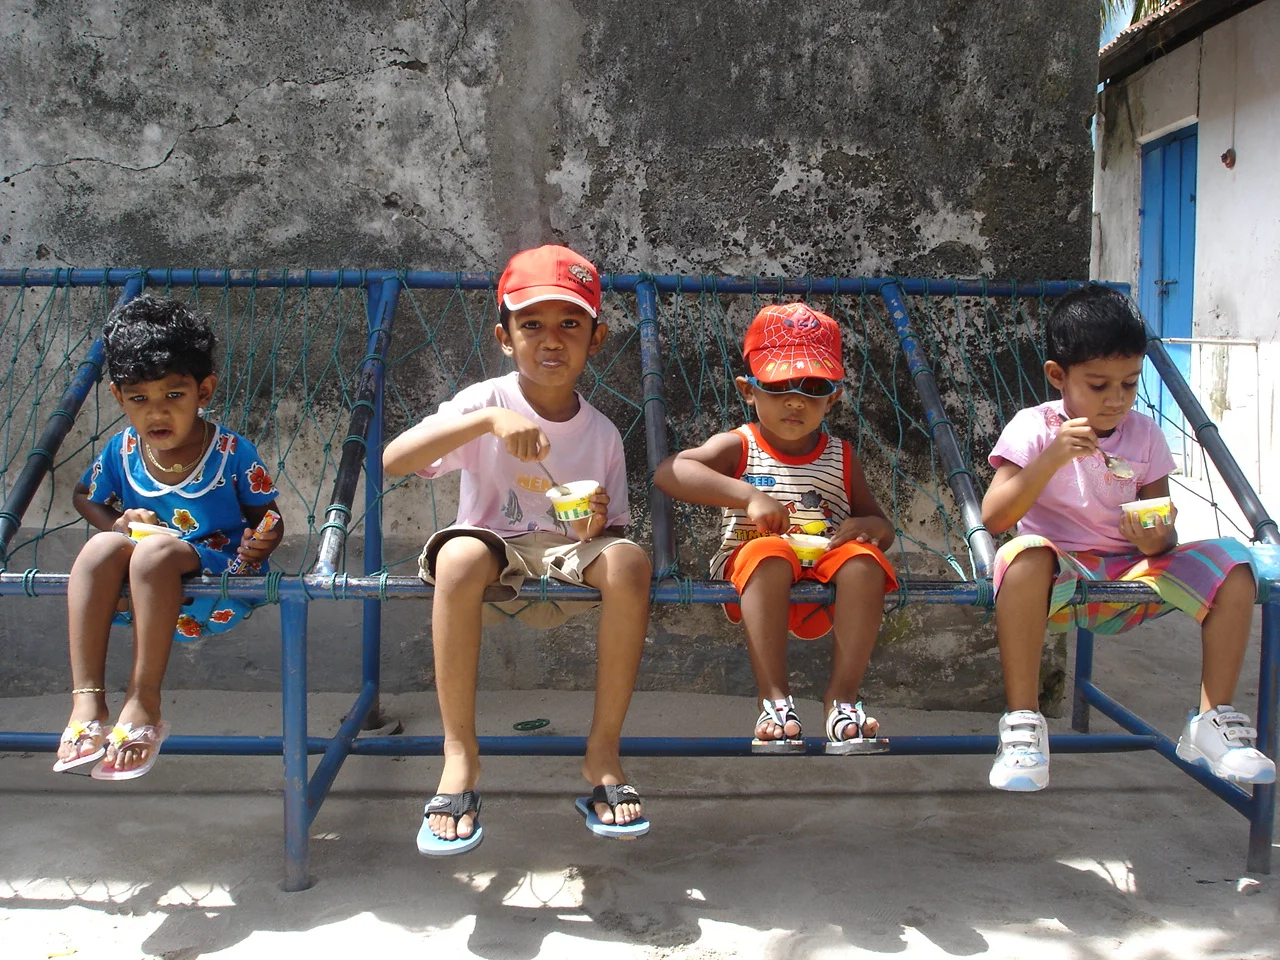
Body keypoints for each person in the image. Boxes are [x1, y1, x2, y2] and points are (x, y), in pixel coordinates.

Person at [383, 244, 652, 855]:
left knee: (631, 561)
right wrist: (486, 424)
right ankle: (460, 755)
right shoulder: (486, 401)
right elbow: (394, 460)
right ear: (505, 338)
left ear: (595, 338)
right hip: (491, 552)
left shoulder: (602, 434)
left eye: (570, 324)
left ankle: (603, 752)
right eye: (531, 324)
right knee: (457, 556)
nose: (551, 340)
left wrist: (596, 524)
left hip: (563, 556)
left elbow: (606, 533)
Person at [982, 283, 1274, 791]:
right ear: (1058, 376)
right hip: (1056, 572)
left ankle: (1212, 720)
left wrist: (1154, 536)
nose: (1116, 399)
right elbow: (993, 516)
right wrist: (1052, 456)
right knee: (1023, 554)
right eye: (1099, 385)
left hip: (1132, 568)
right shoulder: (1034, 428)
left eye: (1129, 384)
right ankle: (1024, 724)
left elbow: (1163, 534)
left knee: (1235, 564)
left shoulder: (1145, 436)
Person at [53, 295, 284, 780]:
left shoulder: (231, 451)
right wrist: (117, 523)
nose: (156, 413)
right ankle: (87, 701)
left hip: (218, 582)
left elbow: (269, 518)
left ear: (204, 391)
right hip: (144, 594)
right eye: (139, 399)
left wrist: (263, 541)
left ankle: (144, 701)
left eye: (173, 396)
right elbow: (84, 495)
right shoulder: (122, 449)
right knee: (100, 547)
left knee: (153, 550)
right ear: (119, 397)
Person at [653, 302, 897, 754]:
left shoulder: (840, 456)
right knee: (770, 553)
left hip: (824, 565)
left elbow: (882, 526)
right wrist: (747, 495)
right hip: (752, 566)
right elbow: (671, 472)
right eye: (779, 385)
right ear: (749, 390)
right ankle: (775, 700)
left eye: (813, 388)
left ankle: (842, 699)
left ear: (833, 398)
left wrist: (868, 527)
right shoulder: (741, 444)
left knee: (865, 561)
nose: (795, 400)